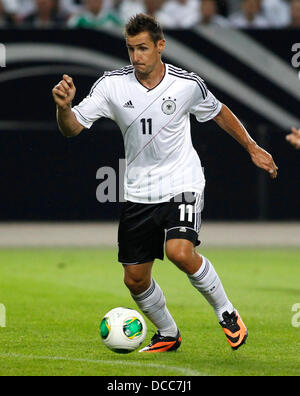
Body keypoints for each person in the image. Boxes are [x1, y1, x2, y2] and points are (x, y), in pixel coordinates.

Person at [52, 13, 278, 353]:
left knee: (180, 251)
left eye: (143, 48)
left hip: (182, 182)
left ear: (161, 46)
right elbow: (71, 129)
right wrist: (63, 108)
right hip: (139, 193)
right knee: (135, 278)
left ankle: (226, 312)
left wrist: (251, 146)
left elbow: (219, 111)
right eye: (130, 49)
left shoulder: (186, 84)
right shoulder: (112, 85)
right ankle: (168, 333)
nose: (136, 56)